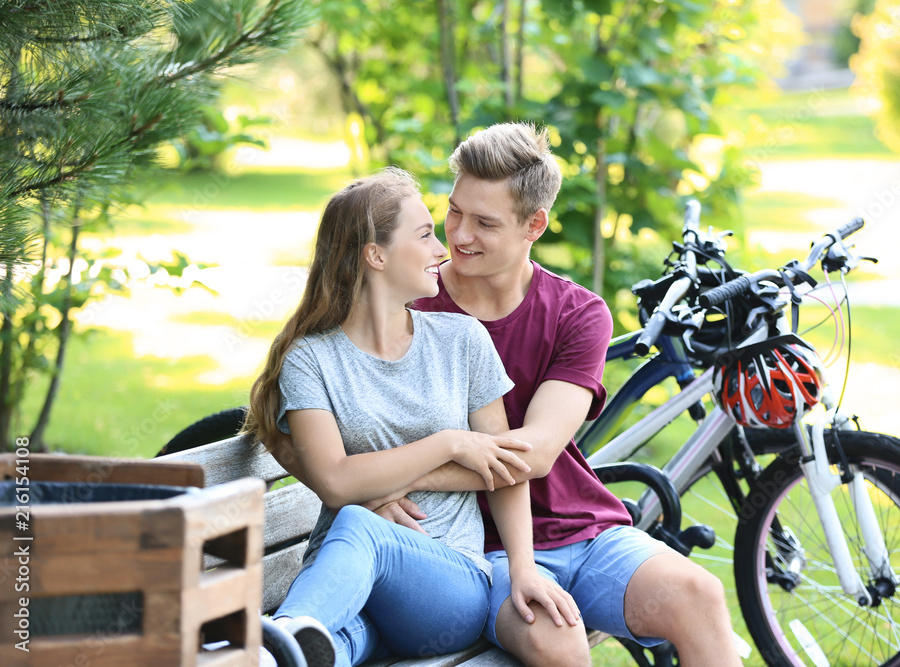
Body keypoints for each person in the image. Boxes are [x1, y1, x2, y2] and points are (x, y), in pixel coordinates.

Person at [393, 122, 744, 667]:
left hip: (586, 530)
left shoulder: (577, 313)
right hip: (480, 550)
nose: (459, 236)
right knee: (559, 641)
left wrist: (392, 473)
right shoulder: (412, 306)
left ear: (535, 224)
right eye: (455, 211)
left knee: (699, 595)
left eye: (485, 222)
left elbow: (532, 453)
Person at [243, 167, 579, 667]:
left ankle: (281, 635)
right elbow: (335, 479)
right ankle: (271, 656)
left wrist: (523, 568)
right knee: (328, 649)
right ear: (375, 255)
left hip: (448, 587)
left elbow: (505, 468)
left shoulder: (461, 341)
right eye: (425, 235)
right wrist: (448, 442)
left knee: (357, 522)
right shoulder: (310, 359)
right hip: (349, 589)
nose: (442, 249)